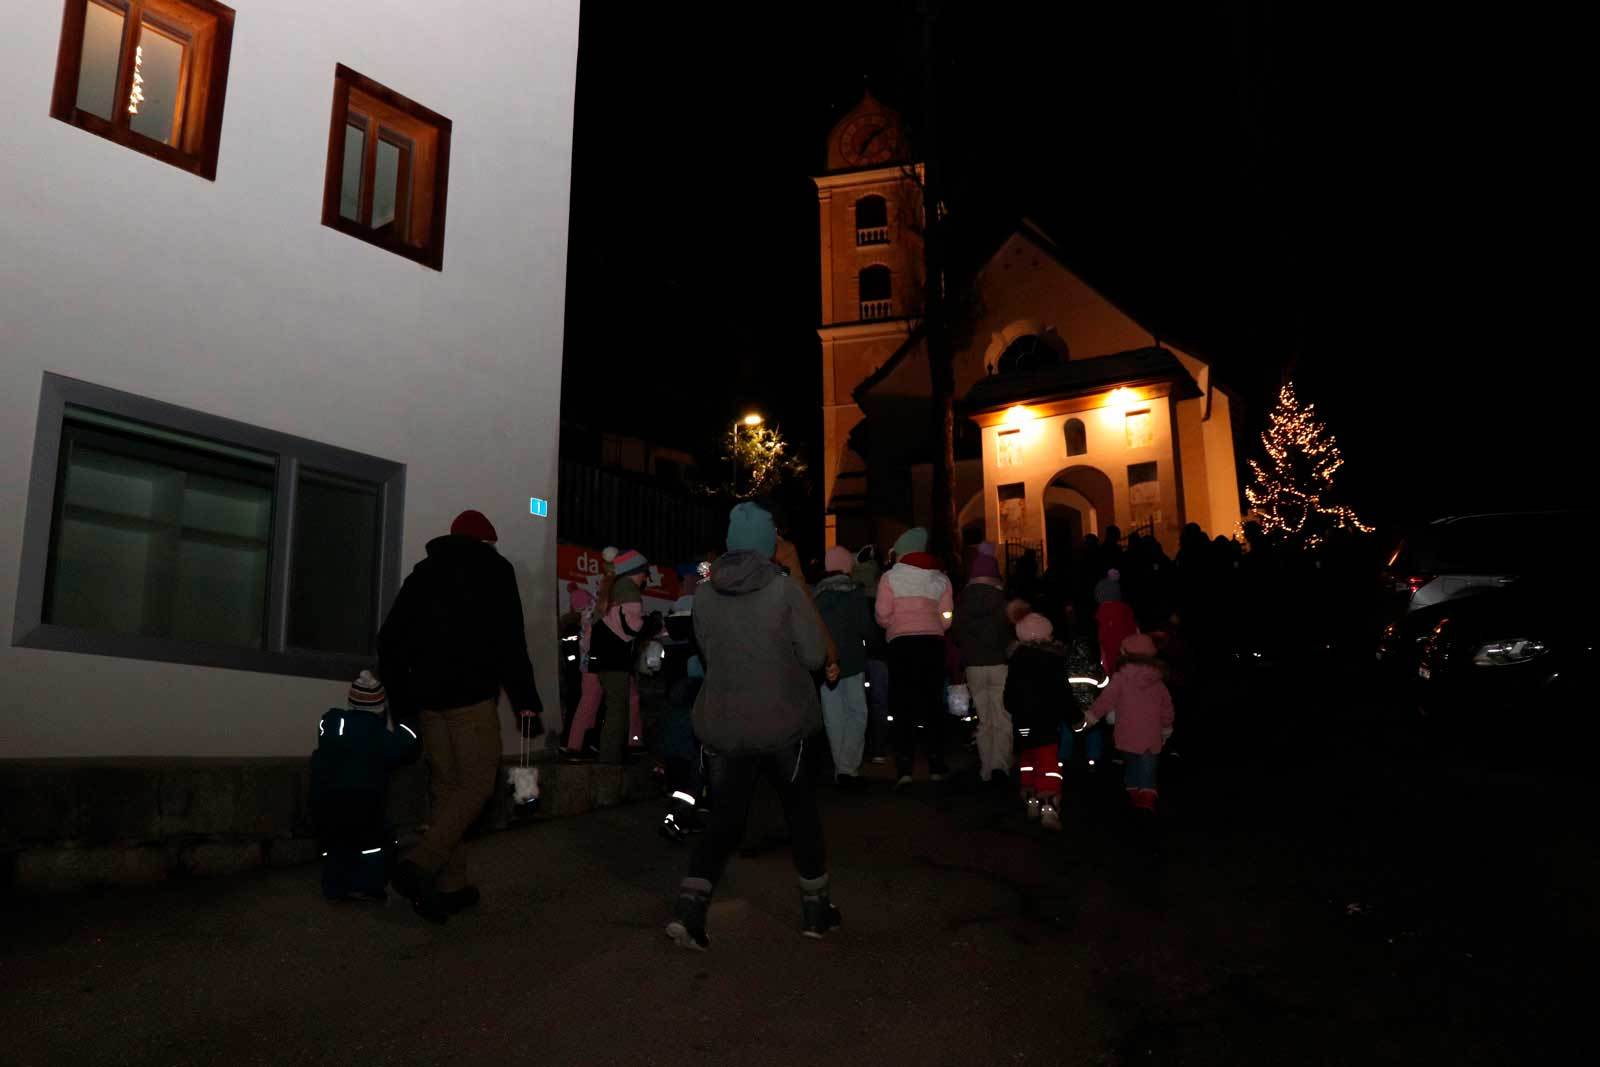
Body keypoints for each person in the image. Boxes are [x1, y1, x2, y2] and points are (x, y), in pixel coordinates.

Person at [666, 502, 841, 950]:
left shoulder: (705, 595)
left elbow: (708, 653)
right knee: (801, 813)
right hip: (784, 723)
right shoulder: (785, 590)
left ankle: (690, 910)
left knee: (725, 818)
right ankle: (816, 912)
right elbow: (814, 656)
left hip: (724, 723)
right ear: (768, 543)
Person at [378, 509, 543, 923]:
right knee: (477, 785)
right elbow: (510, 640)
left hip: (428, 704)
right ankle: (420, 863)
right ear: (485, 542)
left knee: (447, 790)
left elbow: (390, 641)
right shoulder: (495, 570)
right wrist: (525, 699)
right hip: (471, 702)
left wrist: (404, 707)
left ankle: (453, 886)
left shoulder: (423, 574)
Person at [310, 671, 420, 901]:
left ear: (351, 704)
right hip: (366, 800)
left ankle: (334, 888)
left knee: (337, 844)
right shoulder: (379, 735)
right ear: (380, 709)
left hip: (330, 799)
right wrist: (408, 725)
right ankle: (368, 887)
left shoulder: (333, 726)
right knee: (372, 846)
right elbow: (403, 746)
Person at [875, 527, 954, 790]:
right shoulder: (940, 578)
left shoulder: (890, 577)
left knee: (902, 705)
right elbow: (947, 616)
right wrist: (938, 625)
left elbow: (882, 613)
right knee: (933, 703)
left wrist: (892, 624)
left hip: (902, 645)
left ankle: (905, 768)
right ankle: (936, 764)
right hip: (932, 644)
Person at [1080, 633, 1175, 813]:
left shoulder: (1121, 678)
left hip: (1127, 731)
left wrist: (1091, 716)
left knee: (1131, 761)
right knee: (1148, 763)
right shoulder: (1158, 681)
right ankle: (1146, 796)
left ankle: (1133, 790)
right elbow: (1167, 707)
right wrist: (1166, 727)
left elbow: (1106, 700)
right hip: (1151, 733)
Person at [952, 543, 1017, 783]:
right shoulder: (1002, 601)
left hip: (973, 666)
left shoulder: (963, 602)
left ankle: (986, 769)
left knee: (984, 719)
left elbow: (956, 633)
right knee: (1002, 717)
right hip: (999, 664)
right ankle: (1000, 765)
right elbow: (1008, 634)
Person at [1004, 613, 1076, 831]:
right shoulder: (1053, 661)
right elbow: (1063, 694)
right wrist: (1075, 718)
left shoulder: (1016, 661)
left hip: (1023, 724)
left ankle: (1030, 797)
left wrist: (1017, 710)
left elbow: (1008, 698)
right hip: (1045, 722)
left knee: (1027, 758)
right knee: (1048, 762)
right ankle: (1049, 803)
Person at [813, 545, 875, 784]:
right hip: (853, 660)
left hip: (826, 663)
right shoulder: (855, 593)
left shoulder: (816, 595)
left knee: (833, 715)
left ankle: (841, 766)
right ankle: (849, 766)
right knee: (857, 712)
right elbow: (865, 628)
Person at [588, 547, 650, 764]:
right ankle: (609, 763)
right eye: (644, 572)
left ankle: (607, 757)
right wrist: (651, 624)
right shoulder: (628, 589)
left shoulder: (613, 587)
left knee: (611, 708)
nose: (645, 578)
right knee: (618, 712)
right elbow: (632, 627)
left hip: (604, 658)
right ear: (635, 571)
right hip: (615, 659)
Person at [658, 655, 706, 843]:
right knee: (689, 794)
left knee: (679, 792)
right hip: (689, 753)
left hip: (671, 752)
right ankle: (673, 823)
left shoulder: (677, 694)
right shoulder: (698, 695)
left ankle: (686, 821)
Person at [852, 546, 892, 765]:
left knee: (855, 703)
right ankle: (878, 748)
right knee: (879, 701)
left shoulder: (851, 584)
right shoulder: (885, 582)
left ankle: (855, 749)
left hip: (856, 652)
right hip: (879, 651)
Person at [1094, 568, 1139, 677]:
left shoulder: (1104, 615)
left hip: (1114, 669)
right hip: (1132, 666)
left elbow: (1105, 646)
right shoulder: (1126, 612)